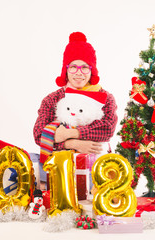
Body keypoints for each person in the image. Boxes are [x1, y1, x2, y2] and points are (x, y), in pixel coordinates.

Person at [33, 32, 118, 164]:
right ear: (66, 70)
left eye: (84, 67)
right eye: (73, 67)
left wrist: (71, 134)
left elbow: (107, 129)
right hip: (62, 168)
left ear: (92, 70)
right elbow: (39, 135)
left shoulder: (105, 97)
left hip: (98, 166)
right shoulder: (52, 99)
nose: (79, 73)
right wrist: (72, 144)